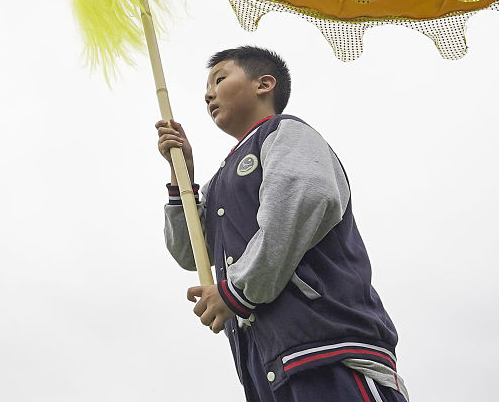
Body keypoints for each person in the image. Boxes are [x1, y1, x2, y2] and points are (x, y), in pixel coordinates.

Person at [155, 46, 408, 401]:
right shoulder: (220, 181)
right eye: (206, 87)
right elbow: (189, 251)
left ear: (264, 84)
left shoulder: (286, 133)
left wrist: (234, 292)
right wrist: (182, 173)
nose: (208, 94)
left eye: (220, 79)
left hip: (328, 346)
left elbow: (306, 200)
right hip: (267, 364)